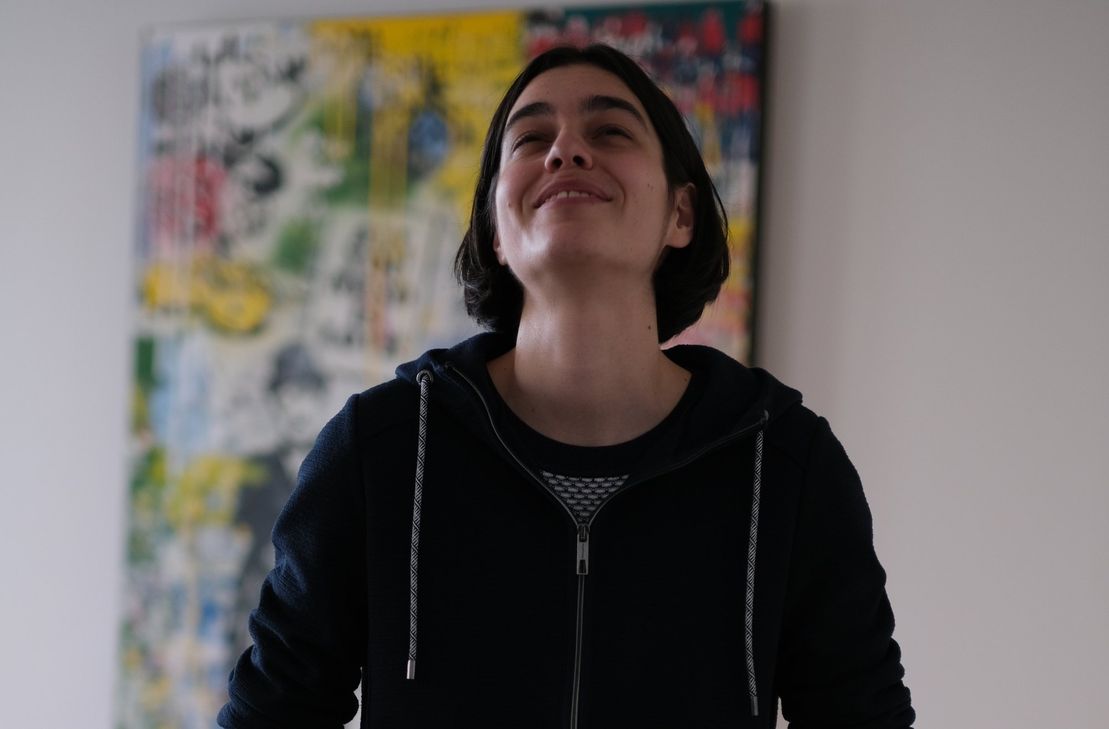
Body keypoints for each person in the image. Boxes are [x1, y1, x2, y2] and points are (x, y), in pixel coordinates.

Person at [219, 44, 914, 728]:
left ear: (681, 215)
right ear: (496, 228)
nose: (565, 151)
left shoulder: (787, 465)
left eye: (609, 131)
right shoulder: (381, 450)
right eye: (531, 138)